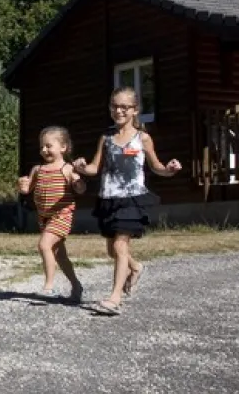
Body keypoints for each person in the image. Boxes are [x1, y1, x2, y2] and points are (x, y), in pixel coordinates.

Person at [72, 86, 183, 316]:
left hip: (132, 199)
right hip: (108, 198)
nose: (119, 111)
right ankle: (136, 267)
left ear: (135, 110)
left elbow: (156, 167)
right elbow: (94, 168)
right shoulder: (106, 138)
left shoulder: (143, 138)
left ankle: (115, 298)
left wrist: (169, 170)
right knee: (112, 250)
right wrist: (82, 168)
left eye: (125, 107)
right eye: (115, 106)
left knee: (121, 246)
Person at [18, 126, 86, 303]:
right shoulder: (38, 169)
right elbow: (27, 190)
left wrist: (79, 184)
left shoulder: (67, 168)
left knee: (44, 245)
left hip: (62, 215)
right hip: (45, 217)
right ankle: (76, 285)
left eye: (49, 146)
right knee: (60, 256)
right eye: (42, 147)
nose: (44, 150)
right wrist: (22, 185)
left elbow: (81, 188)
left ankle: (48, 286)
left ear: (63, 147)